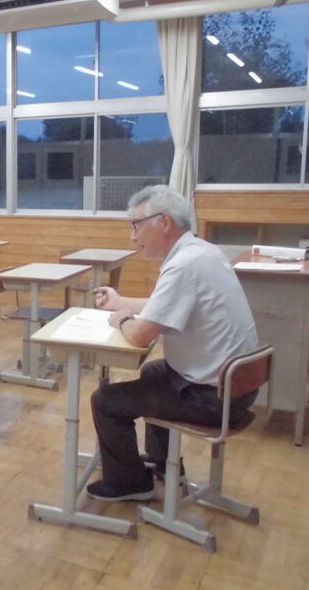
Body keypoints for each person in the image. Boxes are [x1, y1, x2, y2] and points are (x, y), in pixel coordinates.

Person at [87, 185, 258, 501]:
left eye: (136, 226)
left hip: (215, 398)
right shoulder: (203, 252)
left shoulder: (182, 265)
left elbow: (140, 335)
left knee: (105, 400)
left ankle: (129, 483)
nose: (132, 237)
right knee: (154, 372)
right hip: (237, 385)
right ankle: (165, 467)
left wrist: (121, 318)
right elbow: (166, 304)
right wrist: (120, 301)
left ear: (164, 221)